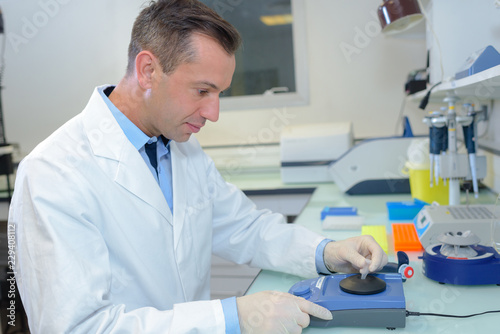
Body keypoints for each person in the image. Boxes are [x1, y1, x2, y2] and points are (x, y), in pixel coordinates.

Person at [9, 0, 388, 333]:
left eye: (219, 94)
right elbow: (77, 327)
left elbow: (244, 228)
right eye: (202, 91)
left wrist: (326, 251)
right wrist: (230, 318)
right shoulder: (53, 173)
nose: (214, 113)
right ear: (147, 71)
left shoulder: (179, 147)